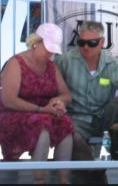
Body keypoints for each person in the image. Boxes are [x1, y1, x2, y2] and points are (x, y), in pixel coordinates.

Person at [55, 21, 118, 183]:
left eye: (92, 43)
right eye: (81, 42)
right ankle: (96, 173)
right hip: (77, 120)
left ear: (102, 42)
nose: (86, 47)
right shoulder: (65, 60)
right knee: (71, 135)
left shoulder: (112, 63)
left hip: (105, 118)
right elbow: (52, 85)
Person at [0, 23, 73, 184]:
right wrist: (42, 109)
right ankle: (39, 181)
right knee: (42, 125)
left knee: (65, 124)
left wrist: (58, 101)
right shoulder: (16, 63)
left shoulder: (51, 67)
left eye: (53, 49)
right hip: (14, 114)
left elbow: (67, 94)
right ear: (35, 43)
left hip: (43, 112)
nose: (50, 53)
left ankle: (64, 181)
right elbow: (8, 99)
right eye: (48, 48)